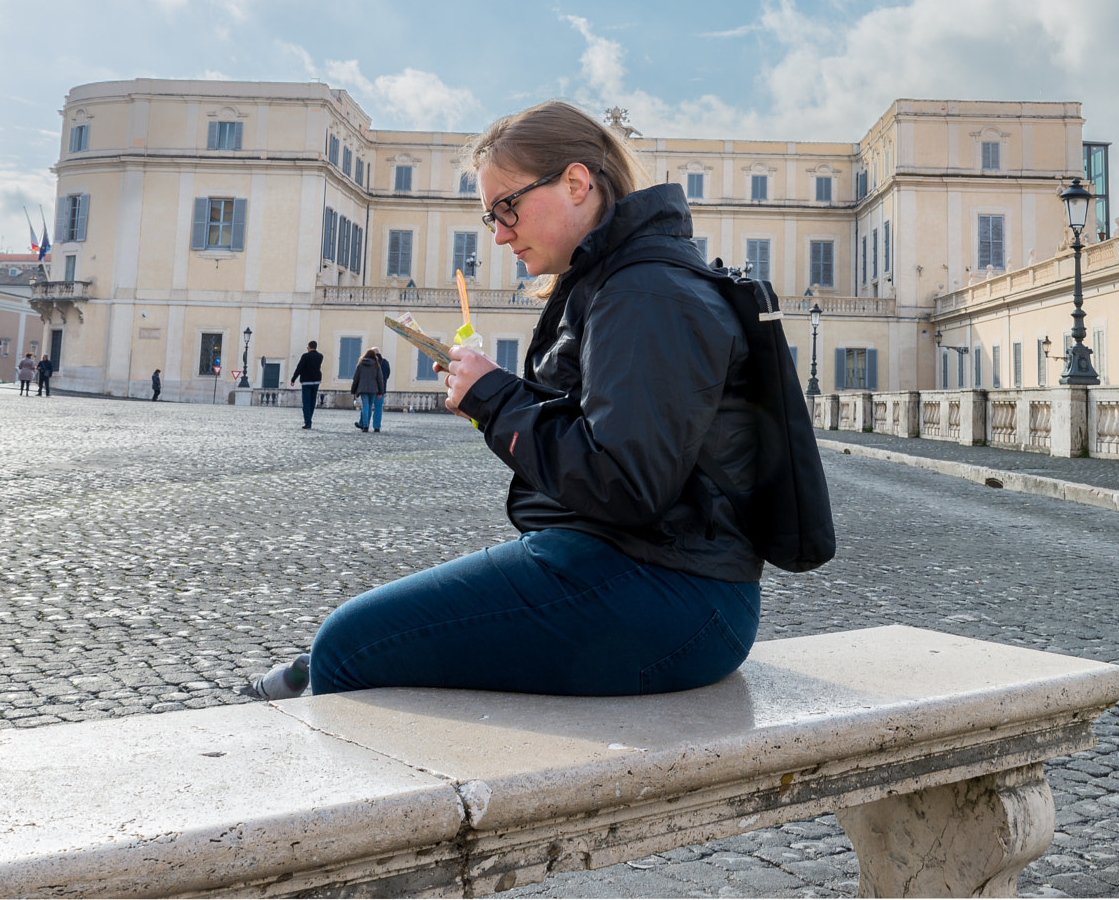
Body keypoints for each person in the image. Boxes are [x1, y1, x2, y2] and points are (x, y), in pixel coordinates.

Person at [242, 101, 764, 702]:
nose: (498, 234)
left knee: (348, 645)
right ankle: (311, 675)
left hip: (671, 596)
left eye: (507, 207)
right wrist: (491, 398)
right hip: (650, 573)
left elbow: (624, 481)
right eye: (490, 216)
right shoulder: (618, 281)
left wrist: (496, 398)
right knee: (366, 634)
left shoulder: (644, 292)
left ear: (575, 182)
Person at [351, 346, 389, 432]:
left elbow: (356, 378)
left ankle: (365, 425)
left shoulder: (360, 364)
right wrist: (381, 391)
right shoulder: (376, 365)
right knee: (370, 407)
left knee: (365, 406)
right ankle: (372, 426)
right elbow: (380, 379)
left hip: (363, 388)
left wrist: (353, 390)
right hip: (374, 389)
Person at [288, 341, 324, 429]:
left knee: (306, 402)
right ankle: (309, 419)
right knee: (312, 402)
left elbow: (299, 368)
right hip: (316, 381)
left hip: (306, 381)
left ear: (309, 347)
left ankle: (308, 422)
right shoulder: (320, 356)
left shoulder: (305, 356)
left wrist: (293, 379)